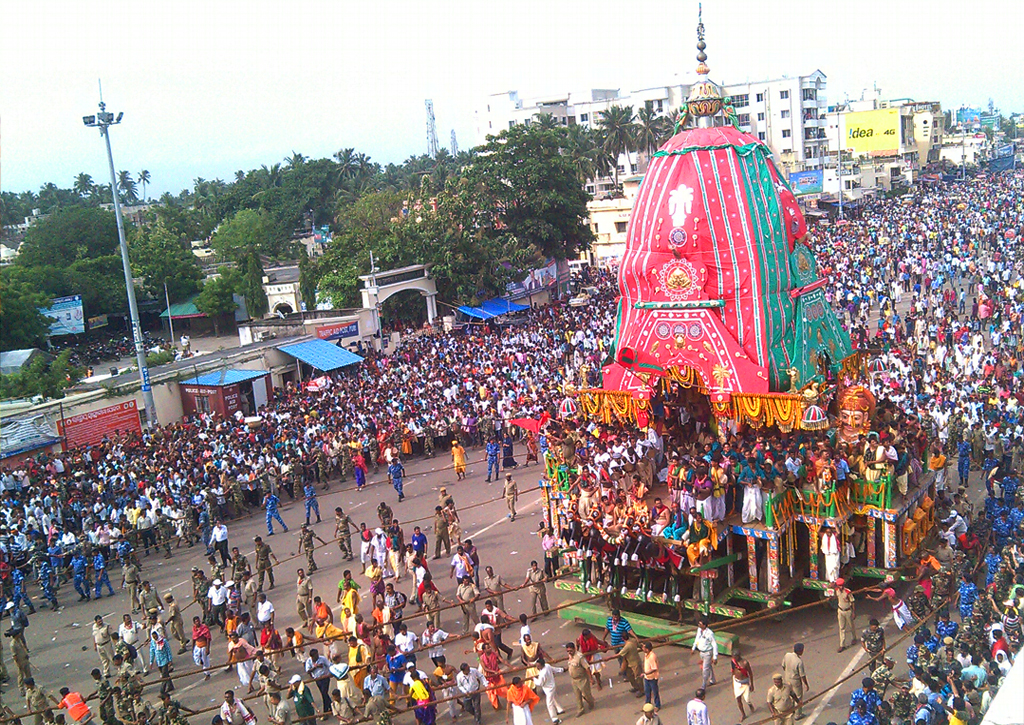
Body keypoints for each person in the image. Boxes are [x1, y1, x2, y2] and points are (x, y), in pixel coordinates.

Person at [531, 657, 566, 724]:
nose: (537, 667)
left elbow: (540, 683)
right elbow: (555, 669)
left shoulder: (542, 674)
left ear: (542, 665)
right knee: (554, 698)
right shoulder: (547, 665)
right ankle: (560, 709)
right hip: (552, 685)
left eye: (538, 666)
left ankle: (555, 719)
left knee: (549, 704)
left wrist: (534, 679)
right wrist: (562, 670)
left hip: (548, 689)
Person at [565, 642, 595, 718]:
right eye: (568, 651)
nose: (569, 652)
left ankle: (591, 703)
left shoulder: (580, 657)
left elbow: (587, 668)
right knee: (577, 695)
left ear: (574, 649)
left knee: (586, 694)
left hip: (582, 679)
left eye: (570, 651)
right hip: (574, 680)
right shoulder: (570, 656)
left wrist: (591, 678)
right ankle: (580, 709)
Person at [781, 643, 808, 719]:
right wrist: (806, 684)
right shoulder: (799, 661)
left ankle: (792, 710)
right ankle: (798, 714)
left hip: (787, 678)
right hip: (795, 680)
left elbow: (783, 666)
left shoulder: (787, 655)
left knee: (791, 695)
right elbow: (802, 675)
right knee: (798, 697)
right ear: (800, 651)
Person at [730, 644, 755, 720]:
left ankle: (749, 704)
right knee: (738, 699)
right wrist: (734, 680)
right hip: (737, 682)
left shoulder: (745, 663)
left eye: (735, 656)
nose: (734, 658)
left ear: (739, 656)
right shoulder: (733, 661)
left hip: (745, 683)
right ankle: (743, 714)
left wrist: (752, 684)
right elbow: (733, 670)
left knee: (747, 699)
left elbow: (750, 673)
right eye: (733, 656)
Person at [691, 619, 718, 689]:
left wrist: (715, 657)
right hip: (701, 652)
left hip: (707, 653)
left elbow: (714, 644)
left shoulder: (710, 633)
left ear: (704, 625)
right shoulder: (699, 630)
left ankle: (703, 684)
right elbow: (697, 639)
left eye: (700, 624)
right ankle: (713, 680)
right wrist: (693, 647)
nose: (699, 625)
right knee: (708, 666)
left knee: (705, 669)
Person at [833, 578, 857, 652]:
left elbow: (852, 602)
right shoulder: (836, 590)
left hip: (848, 611)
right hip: (840, 610)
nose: (840, 587)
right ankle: (842, 645)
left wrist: (853, 612)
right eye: (839, 586)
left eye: (841, 585)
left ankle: (854, 638)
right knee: (842, 628)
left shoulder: (848, 592)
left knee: (851, 626)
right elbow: (835, 596)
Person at [641, 640, 660, 711]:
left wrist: (645, 673)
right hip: (647, 677)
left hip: (652, 678)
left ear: (647, 649)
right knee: (647, 692)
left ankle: (657, 705)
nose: (642, 649)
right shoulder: (646, 654)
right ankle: (647, 705)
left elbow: (654, 668)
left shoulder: (652, 656)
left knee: (655, 692)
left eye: (644, 647)